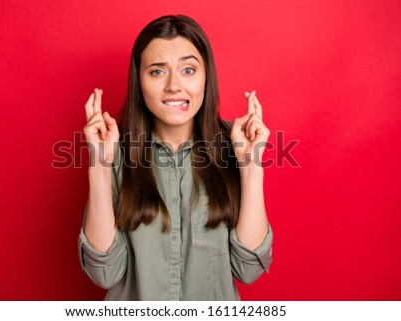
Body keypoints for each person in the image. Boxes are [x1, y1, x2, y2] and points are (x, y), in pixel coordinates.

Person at [78, 15, 273, 300]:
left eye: (189, 70)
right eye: (157, 72)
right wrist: (99, 164)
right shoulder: (114, 149)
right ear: (139, 81)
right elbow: (105, 273)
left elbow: (249, 269)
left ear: (207, 77)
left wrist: (251, 166)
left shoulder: (236, 144)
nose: (173, 86)